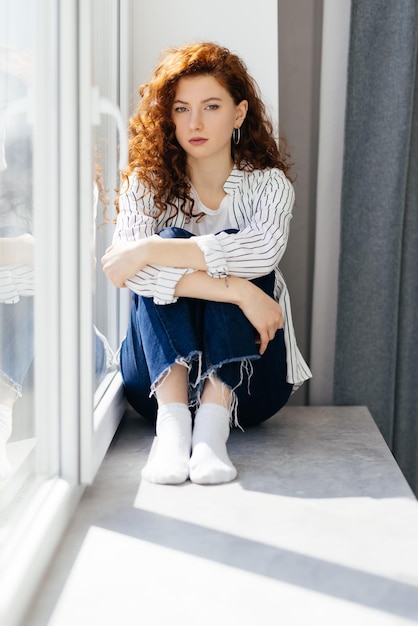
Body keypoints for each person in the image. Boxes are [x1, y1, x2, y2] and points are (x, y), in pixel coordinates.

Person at [102, 42, 312, 486]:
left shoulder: (268, 185)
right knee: (181, 240)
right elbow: (125, 269)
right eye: (181, 109)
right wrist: (238, 290)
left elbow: (261, 252)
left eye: (211, 106)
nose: (194, 123)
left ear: (238, 114)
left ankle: (213, 432)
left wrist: (149, 249)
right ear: (169, 116)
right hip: (154, 388)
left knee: (215, 245)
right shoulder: (147, 181)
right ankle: (174, 430)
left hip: (252, 388)